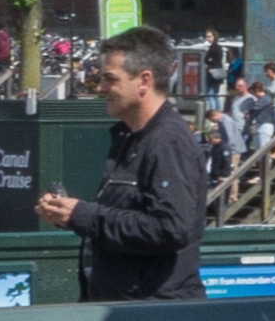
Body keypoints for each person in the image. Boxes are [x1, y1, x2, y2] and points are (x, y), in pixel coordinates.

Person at [43, 30, 211, 301]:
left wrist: (85, 216)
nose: (100, 88)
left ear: (144, 80)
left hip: (154, 317)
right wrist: (70, 215)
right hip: (124, 310)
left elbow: (171, 228)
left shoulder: (167, 142)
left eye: (110, 79)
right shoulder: (129, 137)